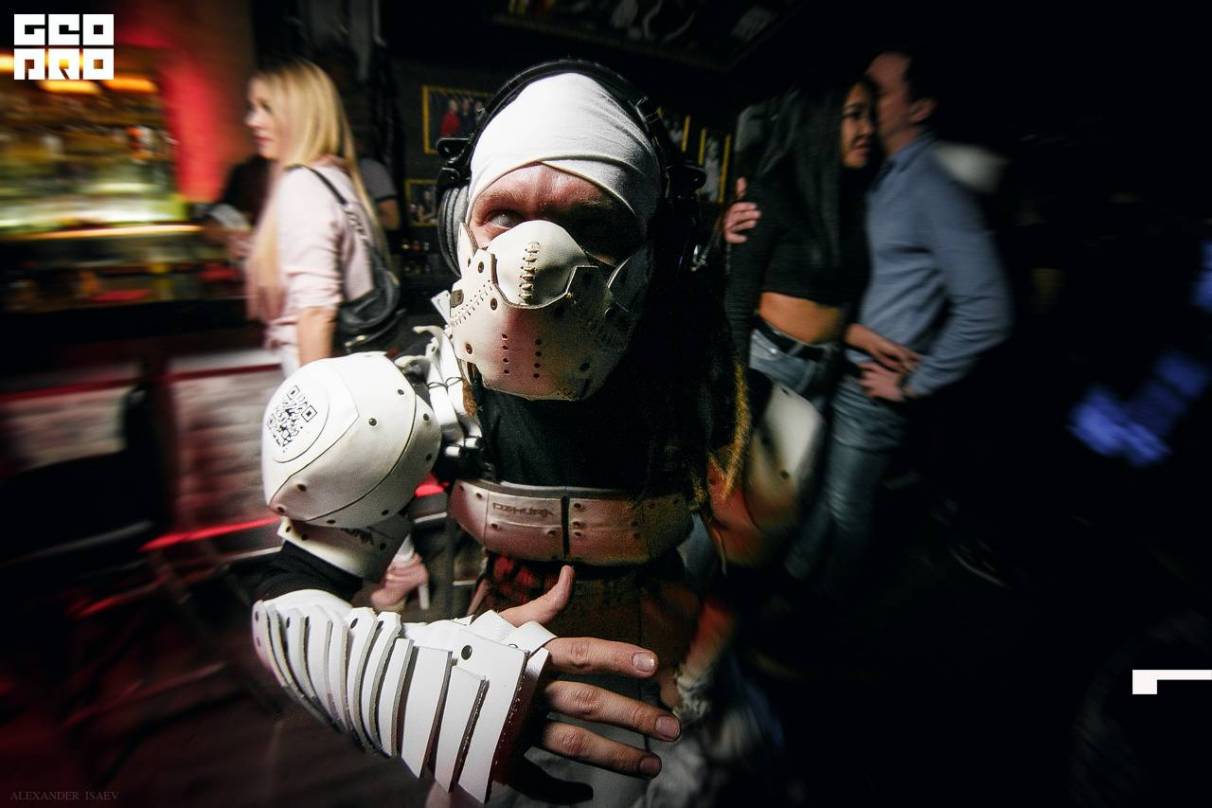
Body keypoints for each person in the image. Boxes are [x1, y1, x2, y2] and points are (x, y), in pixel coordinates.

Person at [247, 62, 800, 805]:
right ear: (459, 225)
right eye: (505, 216)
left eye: (592, 224)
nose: (535, 265)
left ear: (657, 252)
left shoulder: (707, 395)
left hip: (653, 672)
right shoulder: (416, 389)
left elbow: (745, 561)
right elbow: (287, 602)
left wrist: (694, 683)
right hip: (493, 662)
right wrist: (409, 684)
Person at [788, 48, 1012, 594]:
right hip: (843, 367)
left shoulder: (933, 186)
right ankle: (789, 599)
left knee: (844, 510)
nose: (865, 97)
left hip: (873, 390)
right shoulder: (884, 176)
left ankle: (819, 620)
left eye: (880, 90)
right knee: (820, 502)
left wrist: (915, 382)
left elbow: (990, 308)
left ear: (920, 107)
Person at [724, 74, 892, 403]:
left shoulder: (852, 200)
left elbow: (834, 301)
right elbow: (737, 306)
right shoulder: (772, 194)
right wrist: (735, 395)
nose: (869, 129)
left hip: (826, 369)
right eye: (855, 115)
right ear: (821, 120)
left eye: (870, 116)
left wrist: (867, 339)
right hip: (769, 364)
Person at [243, 59, 385, 377]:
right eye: (253, 108)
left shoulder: (303, 184)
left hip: (320, 372)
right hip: (351, 368)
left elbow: (317, 311)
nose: (252, 120)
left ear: (299, 114)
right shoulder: (335, 178)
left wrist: (312, 398)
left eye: (267, 108)